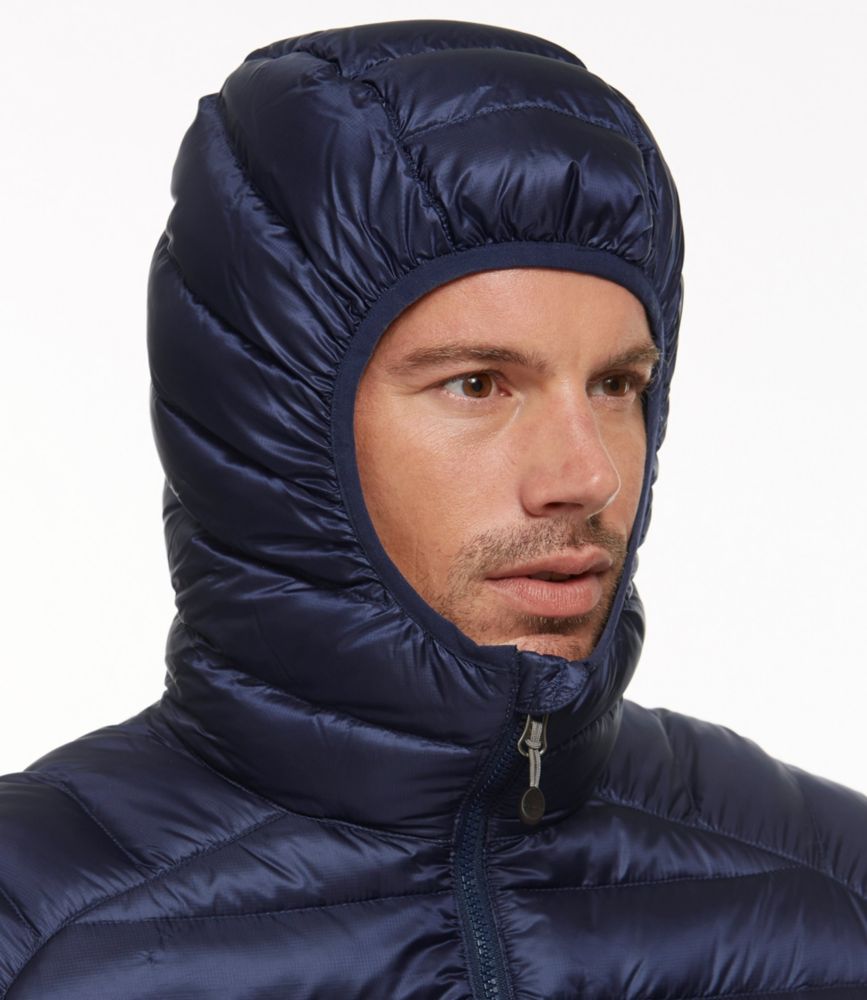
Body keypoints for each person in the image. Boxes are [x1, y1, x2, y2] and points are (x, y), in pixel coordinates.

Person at [0, 18, 864, 999]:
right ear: (275, 425)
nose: (587, 476)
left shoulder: (833, 892)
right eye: (477, 384)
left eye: (616, 384)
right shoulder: (36, 932)